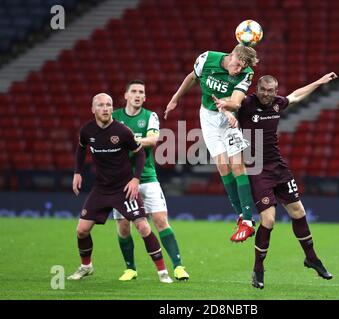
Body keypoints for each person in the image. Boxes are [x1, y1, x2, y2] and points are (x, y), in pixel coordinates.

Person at [214, 74, 337, 289]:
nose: (267, 94)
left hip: (278, 168)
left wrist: (319, 82)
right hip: (256, 169)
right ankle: (258, 269)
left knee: (299, 212)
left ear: (275, 91)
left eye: (271, 91)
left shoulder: (278, 104)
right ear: (258, 89)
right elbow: (229, 104)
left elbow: (297, 95)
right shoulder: (247, 102)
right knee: (268, 221)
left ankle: (312, 259)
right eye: (263, 90)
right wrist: (224, 109)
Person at [67, 93, 173, 283]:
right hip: (101, 189)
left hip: (123, 188)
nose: (106, 108)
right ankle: (86, 266)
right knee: (82, 230)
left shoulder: (122, 131)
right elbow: (81, 147)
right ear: (93, 109)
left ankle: (163, 272)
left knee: (142, 226)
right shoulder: (87, 131)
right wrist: (77, 172)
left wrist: (135, 179)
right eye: (101, 105)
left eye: (109, 105)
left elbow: (140, 153)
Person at [164, 44, 259, 242]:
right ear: (231, 56)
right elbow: (192, 77)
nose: (239, 70)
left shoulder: (246, 73)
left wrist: (227, 108)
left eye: (243, 68)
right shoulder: (206, 59)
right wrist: (175, 99)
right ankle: (240, 214)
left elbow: (236, 101)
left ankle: (248, 221)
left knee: (237, 165)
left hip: (228, 119)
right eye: (238, 65)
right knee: (223, 167)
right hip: (208, 118)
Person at [112, 80, 189, 281]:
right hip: (120, 181)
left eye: (141, 92)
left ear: (145, 98)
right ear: (126, 95)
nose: (138, 95)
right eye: (134, 91)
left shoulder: (150, 116)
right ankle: (130, 268)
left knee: (161, 221)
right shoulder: (114, 117)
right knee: (122, 226)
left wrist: (128, 142)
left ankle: (179, 267)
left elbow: (153, 140)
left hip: (147, 178)